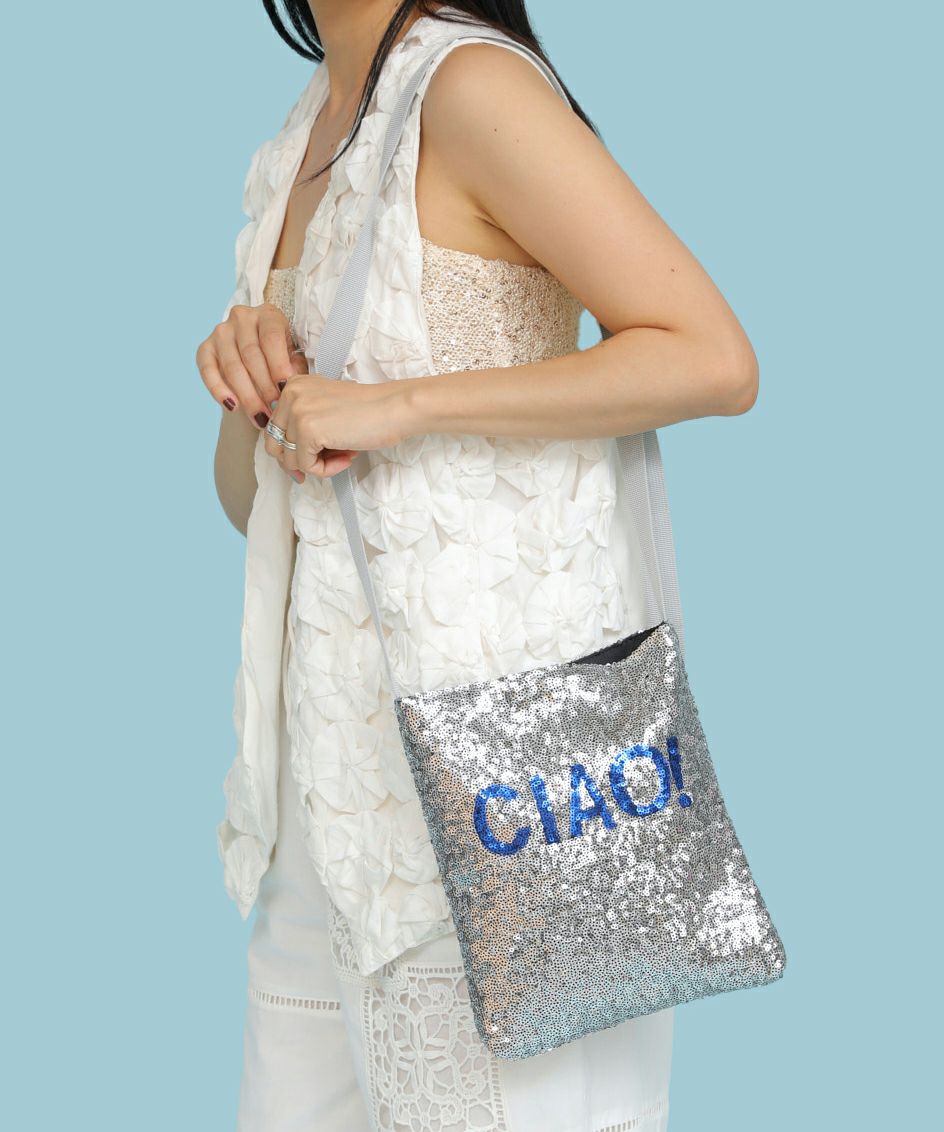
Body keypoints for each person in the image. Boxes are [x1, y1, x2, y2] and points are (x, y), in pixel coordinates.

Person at [196, 2, 759, 1129]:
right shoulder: (305, 129)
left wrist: (404, 404)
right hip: (331, 808)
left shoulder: (468, 88)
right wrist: (249, 384)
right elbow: (252, 506)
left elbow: (711, 355)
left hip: (512, 784)